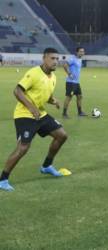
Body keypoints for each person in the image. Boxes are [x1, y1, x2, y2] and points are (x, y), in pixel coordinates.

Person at [0, 48, 68, 191]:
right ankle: (3, 179)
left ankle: (46, 166)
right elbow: (17, 91)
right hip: (24, 114)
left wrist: (53, 101)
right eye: (52, 58)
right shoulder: (34, 73)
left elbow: (44, 94)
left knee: (61, 135)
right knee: (23, 147)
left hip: (41, 114)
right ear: (44, 58)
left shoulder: (53, 77)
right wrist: (31, 107)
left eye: (57, 59)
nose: (55, 61)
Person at [62, 47, 87, 118]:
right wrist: (69, 74)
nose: (82, 53)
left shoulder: (80, 59)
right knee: (69, 97)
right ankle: (64, 113)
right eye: (80, 51)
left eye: (83, 51)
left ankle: (80, 112)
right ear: (77, 52)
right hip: (71, 82)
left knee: (79, 96)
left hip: (76, 82)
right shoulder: (72, 59)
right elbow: (65, 65)